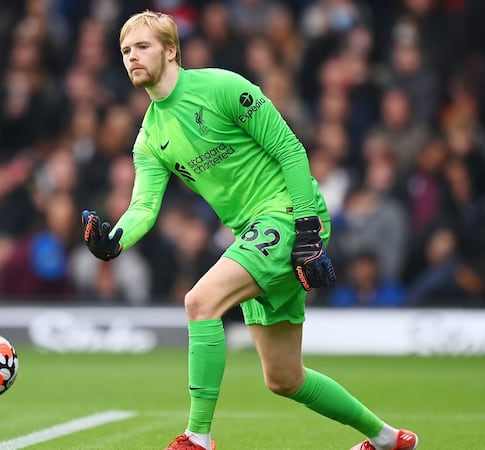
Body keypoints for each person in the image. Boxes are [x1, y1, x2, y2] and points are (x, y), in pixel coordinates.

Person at [80, 11, 418, 450]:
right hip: (252, 234)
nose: (132, 57)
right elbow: (143, 206)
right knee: (284, 378)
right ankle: (388, 439)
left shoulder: (222, 87)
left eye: (142, 47)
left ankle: (197, 438)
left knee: (200, 302)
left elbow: (289, 149)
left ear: (170, 50)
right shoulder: (148, 138)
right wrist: (115, 239)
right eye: (125, 51)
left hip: (287, 215)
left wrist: (308, 230)